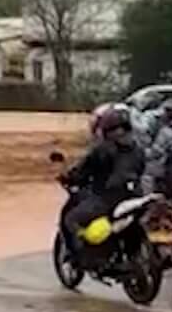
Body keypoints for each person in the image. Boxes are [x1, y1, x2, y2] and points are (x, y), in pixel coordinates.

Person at [60, 108, 146, 262]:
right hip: (135, 195)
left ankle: (85, 253)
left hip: (107, 199)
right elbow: (141, 169)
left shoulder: (102, 149)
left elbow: (83, 170)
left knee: (70, 219)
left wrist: (70, 177)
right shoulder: (138, 148)